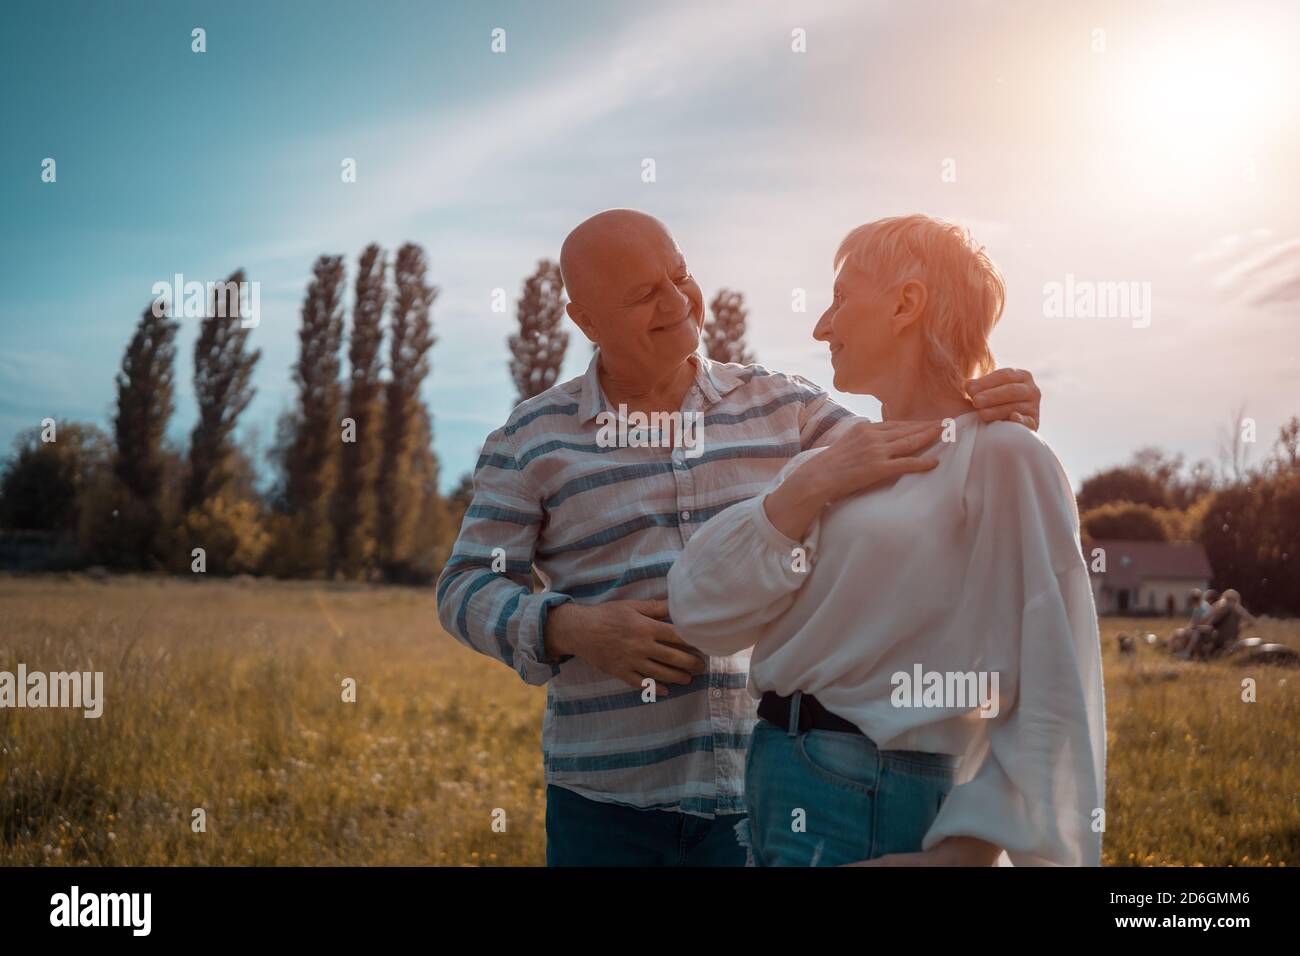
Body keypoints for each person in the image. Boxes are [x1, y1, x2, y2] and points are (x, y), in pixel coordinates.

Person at [435, 209, 1043, 866]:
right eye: (644, 295)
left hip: (756, 796)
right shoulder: (531, 439)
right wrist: (573, 629)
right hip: (604, 805)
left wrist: (985, 408)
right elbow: (465, 586)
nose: (676, 302)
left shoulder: (788, 408)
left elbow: (914, 464)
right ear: (586, 322)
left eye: (680, 276)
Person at [667, 214, 1104, 866]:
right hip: (774, 775)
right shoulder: (829, 465)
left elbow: (1052, 678)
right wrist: (808, 486)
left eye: (842, 297)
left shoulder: (1007, 457)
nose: (822, 326)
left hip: (868, 797)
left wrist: (967, 853)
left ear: (906, 303)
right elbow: (700, 612)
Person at [1187, 589, 1256, 660]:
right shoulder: (1238, 609)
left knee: (1197, 630)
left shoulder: (1222, 605)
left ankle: (1191, 655)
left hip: (1219, 636)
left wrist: (1196, 625)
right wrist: (1239, 628)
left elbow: (1208, 617)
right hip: (1233, 638)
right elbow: (1253, 621)